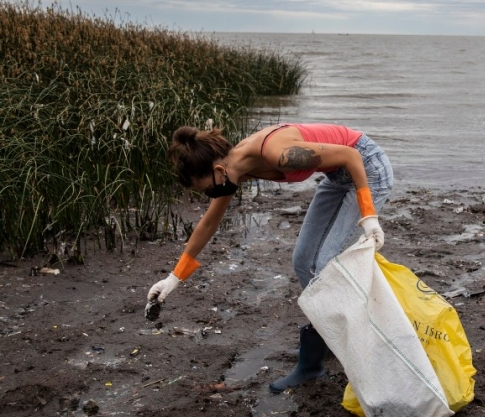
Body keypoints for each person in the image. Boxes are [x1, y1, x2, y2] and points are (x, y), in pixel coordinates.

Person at [146, 123, 393, 393]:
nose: (210, 196)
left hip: (367, 169)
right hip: (336, 178)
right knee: (303, 262)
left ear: (218, 171)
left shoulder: (278, 153)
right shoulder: (234, 168)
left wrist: (368, 216)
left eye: (208, 190)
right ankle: (329, 336)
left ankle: (319, 361)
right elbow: (208, 224)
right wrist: (174, 278)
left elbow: (351, 156)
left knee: (323, 265)